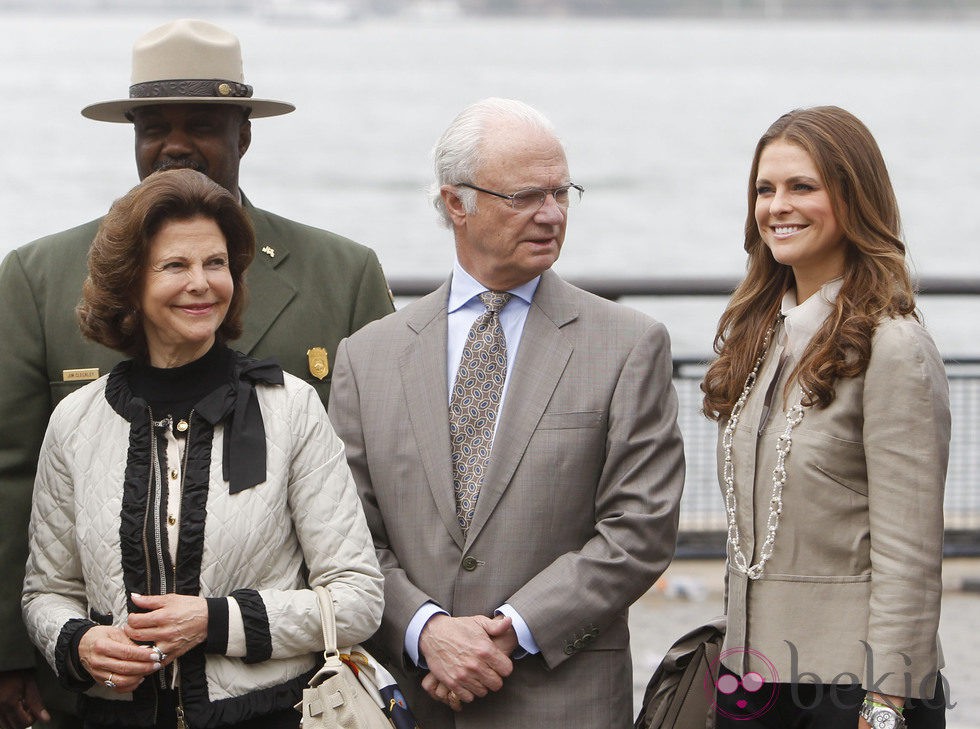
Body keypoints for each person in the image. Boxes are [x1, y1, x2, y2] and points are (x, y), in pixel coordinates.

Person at [0, 19, 393, 729]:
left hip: (280, 698)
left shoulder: (344, 278)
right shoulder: (36, 283)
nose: (176, 144)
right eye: (154, 125)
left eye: (203, 123)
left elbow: (381, 493)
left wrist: (218, 621)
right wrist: (37, 649)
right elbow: (15, 493)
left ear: (244, 133)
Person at [327, 97, 686, 728]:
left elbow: (640, 528)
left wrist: (510, 633)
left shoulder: (629, 344)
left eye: (562, 192)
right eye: (526, 196)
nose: (552, 214)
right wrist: (425, 631)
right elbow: (346, 537)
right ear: (454, 203)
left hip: (565, 701)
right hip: (414, 701)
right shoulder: (368, 357)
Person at [700, 106, 949, 728]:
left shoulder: (893, 347)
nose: (777, 205)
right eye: (765, 189)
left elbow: (910, 554)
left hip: (851, 691)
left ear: (853, 198)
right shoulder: (760, 340)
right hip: (749, 684)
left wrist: (886, 703)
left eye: (802, 187)